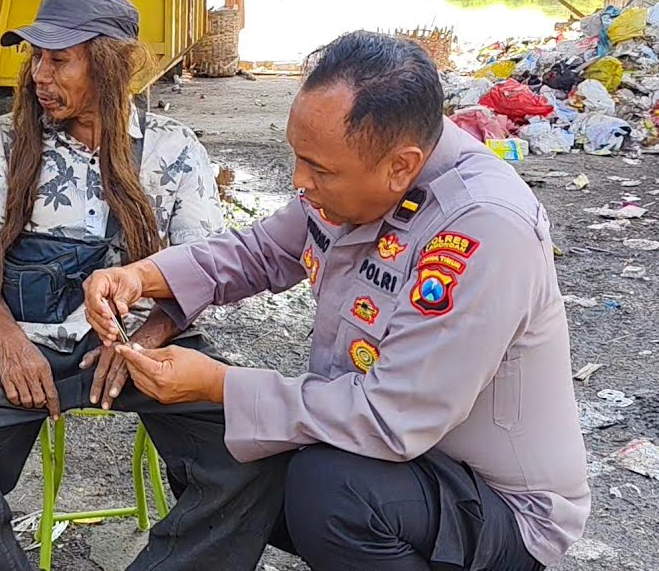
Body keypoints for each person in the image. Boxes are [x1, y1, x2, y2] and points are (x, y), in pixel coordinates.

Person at [84, 31, 590, 571]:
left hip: (496, 505)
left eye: (319, 169)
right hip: (400, 462)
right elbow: (258, 252)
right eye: (299, 158)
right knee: (215, 449)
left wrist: (219, 383)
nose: (300, 182)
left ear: (401, 165)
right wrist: (141, 276)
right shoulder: (355, 182)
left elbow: (391, 418)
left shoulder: (484, 227)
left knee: (330, 493)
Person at [0, 0, 287, 570]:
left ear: (109, 64)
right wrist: (8, 342)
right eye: (36, 57)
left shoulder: (173, 150)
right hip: (27, 340)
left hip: (145, 346)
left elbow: (201, 273)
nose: (40, 75)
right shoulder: (8, 141)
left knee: (255, 445)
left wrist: (146, 340)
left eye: (59, 59)